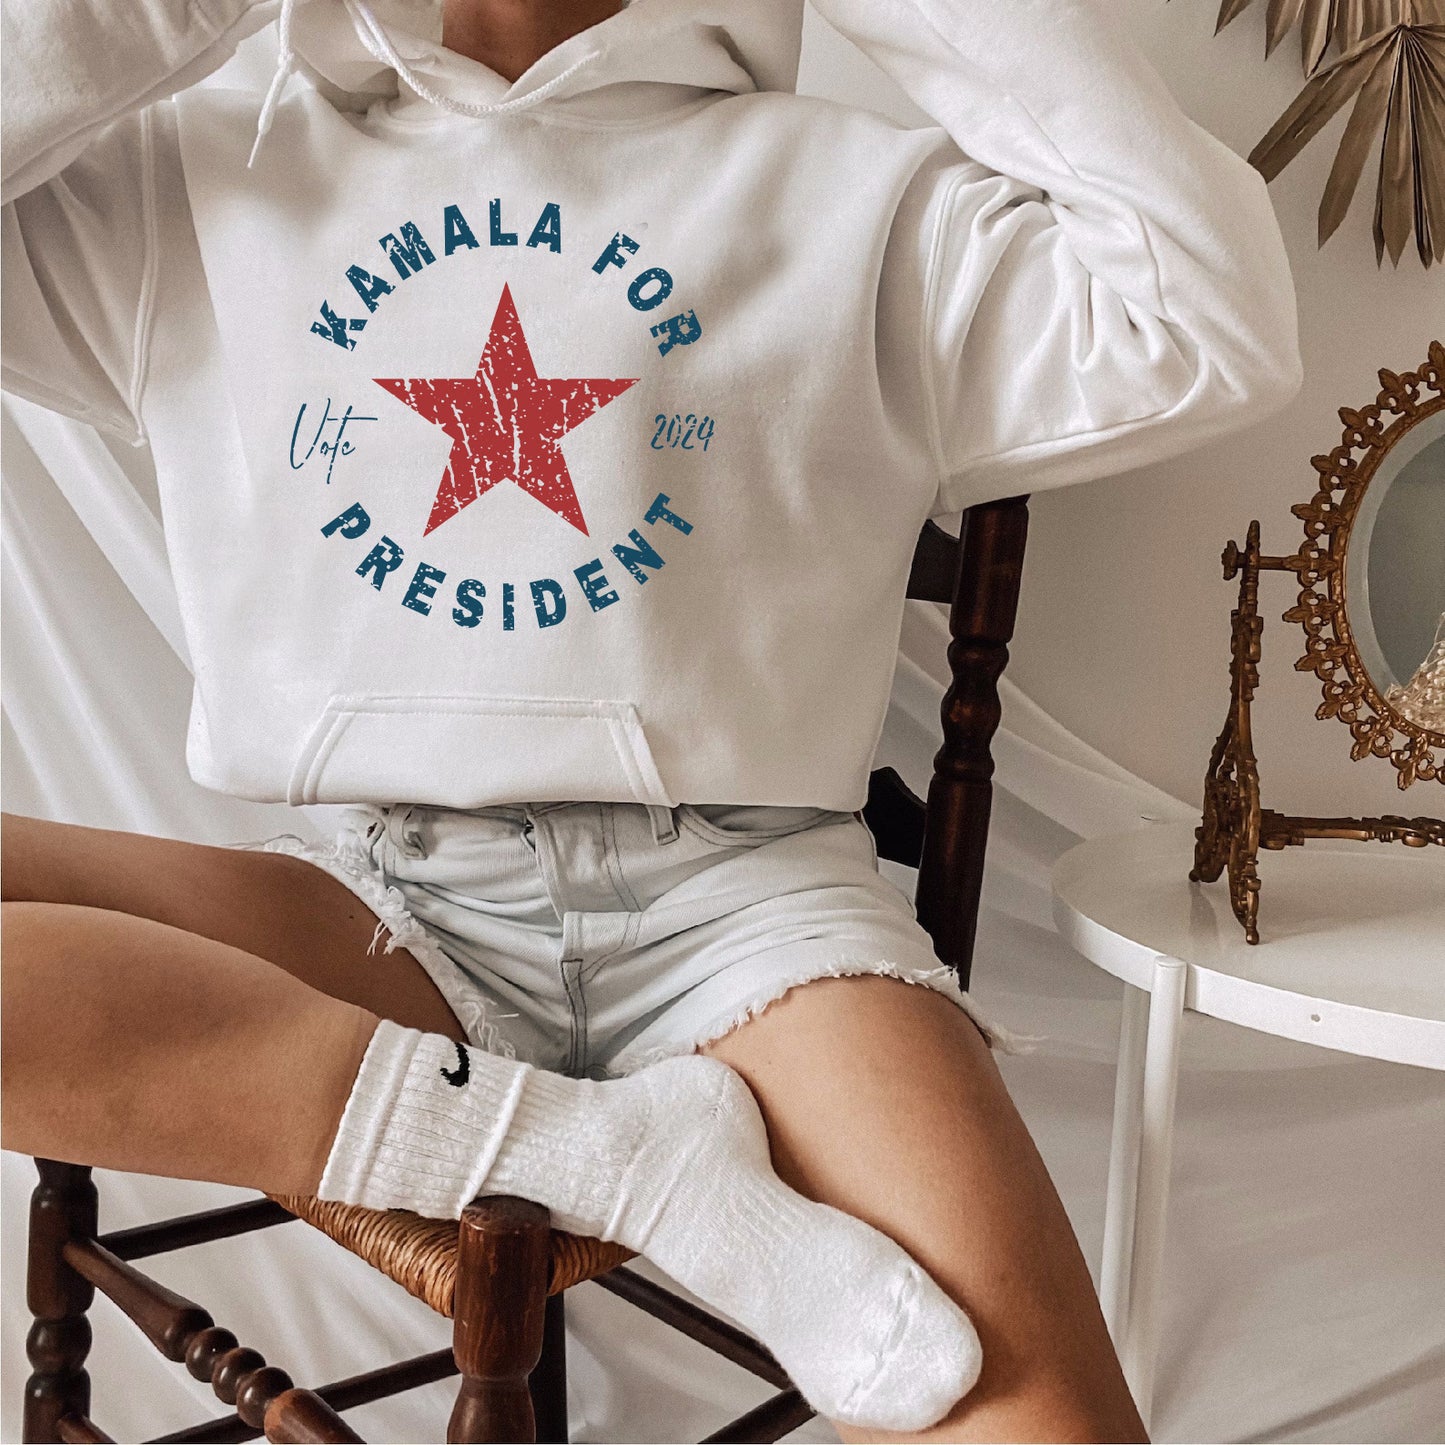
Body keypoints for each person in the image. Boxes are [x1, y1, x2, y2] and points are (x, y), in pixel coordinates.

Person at [0, 0, 1301, 1436]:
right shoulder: (200, 182)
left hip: (752, 920)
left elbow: (1219, 314)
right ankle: (615, 1159)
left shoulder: (858, 195)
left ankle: (632, 1155)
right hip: (382, 904)